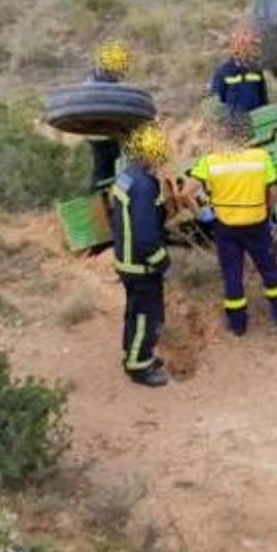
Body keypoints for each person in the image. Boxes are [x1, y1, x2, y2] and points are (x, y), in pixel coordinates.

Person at [186, 127, 277, 336]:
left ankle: (238, 325)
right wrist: (267, 214)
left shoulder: (210, 160)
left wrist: (205, 211)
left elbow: (187, 193)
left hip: (225, 226)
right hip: (256, 222)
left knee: (232, 274)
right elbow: (272, 192)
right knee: (270, 269)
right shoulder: (261, 157)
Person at [109, 124, 172, 388]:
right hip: (140, 265)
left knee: (135, 312)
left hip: (126, 260)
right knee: (148, 315)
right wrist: (162, 261)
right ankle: (139, 365)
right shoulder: (144, 186)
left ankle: (133, 354)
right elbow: (145, 236)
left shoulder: (126, 176)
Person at [89, 39, 131, 191]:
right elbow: (117, 102)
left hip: (94, 134)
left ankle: (99, 198)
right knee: (121, 167)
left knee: (101, 168)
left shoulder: (92, 78)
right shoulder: (108, 80)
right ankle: (119, 198)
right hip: (109, 133)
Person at [209, 26, 269, 132]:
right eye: (239, 45)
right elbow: (218, 100)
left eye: (246, 46)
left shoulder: (255, 69)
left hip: (257, 122)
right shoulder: (224, 71)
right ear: (233, 48)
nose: (242, 49)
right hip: (235, 125)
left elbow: (263, 97)